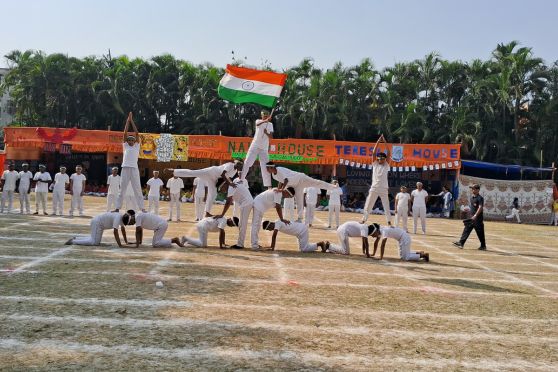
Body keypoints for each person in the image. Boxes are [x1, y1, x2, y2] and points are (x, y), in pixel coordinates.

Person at [166, 160, 242, 216]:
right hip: (210, 172)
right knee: (193, 173)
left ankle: (207, 213)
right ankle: (174, 171)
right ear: (235, 163)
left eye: (239, 165)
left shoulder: (234, 172)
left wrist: (219, 186)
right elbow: (223, 174)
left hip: (214, 179)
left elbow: (225, 178)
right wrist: (230, 183)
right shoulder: (230, 165)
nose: (237, 165)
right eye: (237, 163)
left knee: (213, 194)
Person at [266, 162, 335, 221]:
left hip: (301, 179)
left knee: (316, 182)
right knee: (299, 200)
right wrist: (279, 189)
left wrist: (281, 189)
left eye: (267, 168)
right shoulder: (273, 175)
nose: (266, 170)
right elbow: (280, 181)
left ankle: (332, 187)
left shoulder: (280, 170)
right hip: (294, 185)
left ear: (272, 168)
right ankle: (300, 218)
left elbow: (285, 180)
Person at [114, 112, 145, 213]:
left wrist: (132, 121)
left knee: (137, 189)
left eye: (132, 140)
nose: (131, 141)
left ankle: (142, 208)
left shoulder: (136, 146)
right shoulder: (125, 146)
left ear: (134, 141)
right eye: (129, 140)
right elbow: (124, 133)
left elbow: (137, 134)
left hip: (134, 169)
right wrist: (127, 121)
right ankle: (117, 208)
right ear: (127, 141)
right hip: (125, 168)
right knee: (122, 189)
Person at [213, 179, 253, 249]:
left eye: (221, 189)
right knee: (242, 224)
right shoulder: (232, 185)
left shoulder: (231, 187)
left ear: (225, 184)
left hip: (246, 203)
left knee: (242, 225)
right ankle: (241, 243)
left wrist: (222, 214)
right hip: (247, 203)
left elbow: (228, 202)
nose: (221, 191)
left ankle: (240, 245)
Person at [240, 109, 274, 188]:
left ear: (268, 115)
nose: (265, 117)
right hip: (255, 145)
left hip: (264, 148)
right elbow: (258, 125)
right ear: (261, 116)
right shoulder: (258, 121)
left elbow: (271, 137)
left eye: (266, 116)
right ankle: (241, 180)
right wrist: (265, 120)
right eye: (264, 115)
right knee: (247, 162)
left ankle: (268, 186)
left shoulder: (270, 124)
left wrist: (266, 133)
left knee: (266, 166)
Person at [362, 135, 391, 225]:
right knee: (368, 205)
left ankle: (389, 221)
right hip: (374, 188)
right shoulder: (375, 164)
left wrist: (384, 141)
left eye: (382, 159)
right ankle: (364, 219)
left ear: (384, 159)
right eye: (379, 158)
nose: (380, 160)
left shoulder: (386, 165)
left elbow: (389, 152)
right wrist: (378, 141)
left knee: (386, 206)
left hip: (383, 188)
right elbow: (374, 152)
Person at [65, 211, 134, 247]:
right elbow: (115, 232)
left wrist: (126, 242)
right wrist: (120, 245)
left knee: (94, 239)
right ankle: (73, 242)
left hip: (99, 224)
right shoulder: (118, 218)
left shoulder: (121, 217)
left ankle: (76, 238)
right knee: (94, 242)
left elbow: (123, 230)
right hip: (97, 223)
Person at [453, 184, 487, 250]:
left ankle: (483, 246)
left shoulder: (480, 198)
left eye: (474, 188)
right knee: (466, 229)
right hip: (472, 218)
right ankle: (461, 243)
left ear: (478, 190)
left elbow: (480, 207)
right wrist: (470, 212)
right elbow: (473, 208)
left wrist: (475, 215)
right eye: (472, 188)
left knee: (480, 233)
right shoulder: (472, 198)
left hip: (478, 219)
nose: (472, 190)